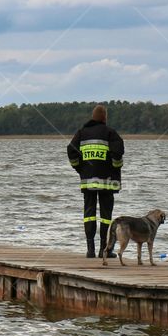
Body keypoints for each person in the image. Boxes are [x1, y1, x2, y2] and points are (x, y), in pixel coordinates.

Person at [67, 105, 124, 258]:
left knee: (89, 214)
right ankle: (104, 251)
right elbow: (118, 154)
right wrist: (115, 166)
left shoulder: (81, 133)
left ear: (92, 117)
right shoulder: (110, 133)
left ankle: (90, 250)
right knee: (106, 216)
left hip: (88, 182)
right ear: (105, 117)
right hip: (108, 182)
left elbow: (71, 151)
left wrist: (79, 169)